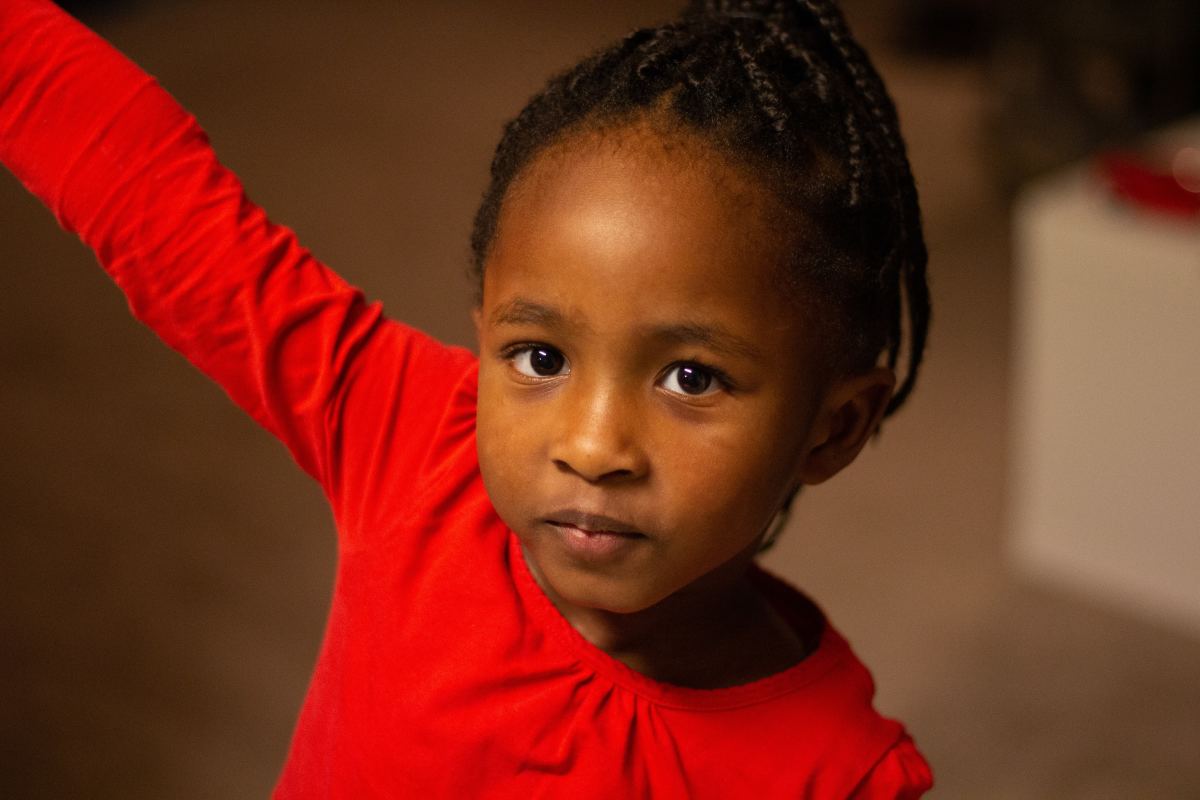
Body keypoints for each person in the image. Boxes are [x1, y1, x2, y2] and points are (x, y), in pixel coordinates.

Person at [0, 0, 933, 796]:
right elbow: (161, 206)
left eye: (691, 377)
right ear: (483, 327)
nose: (592, 443)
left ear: (835, 425)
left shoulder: (841, 776)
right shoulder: (410, 435)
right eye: (538, 356)